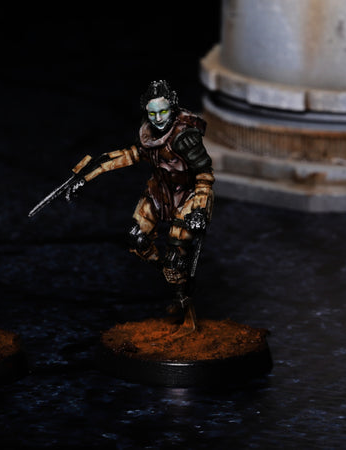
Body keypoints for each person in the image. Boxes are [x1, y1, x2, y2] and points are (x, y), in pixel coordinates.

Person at [35, 80, 214, 335]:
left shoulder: (185, 137)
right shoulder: (148, 134)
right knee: (136, 238)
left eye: (163, 111)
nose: (158, 118)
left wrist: (200, 208)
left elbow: (204, 174)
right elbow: (128, 155)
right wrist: (86, 175)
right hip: (160, 193)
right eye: (152, 113)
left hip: (189, 195)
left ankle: (187, 310)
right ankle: (172, 274)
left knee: (177, 255)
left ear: (172, 108)